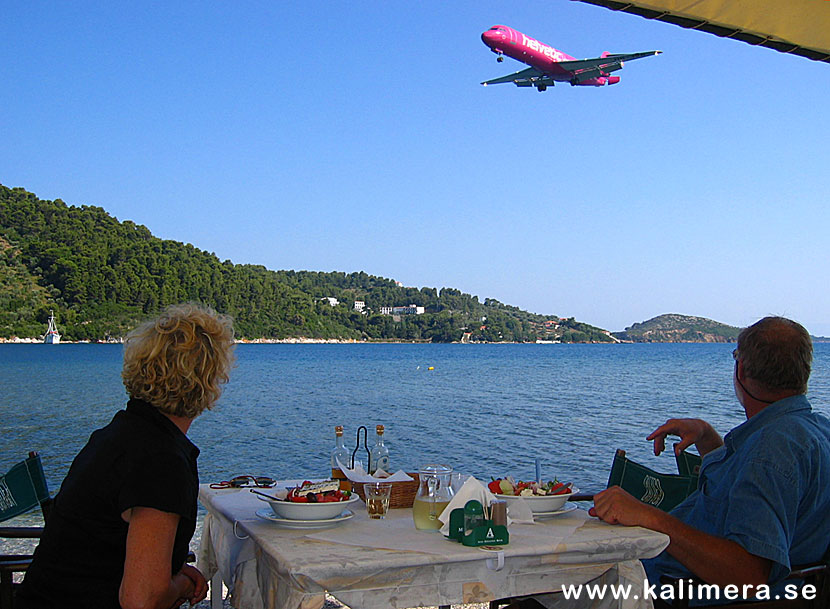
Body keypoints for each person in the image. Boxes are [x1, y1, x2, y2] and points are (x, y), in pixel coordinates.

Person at [591, 316, 830, 604]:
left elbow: (748, 576)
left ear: (740, 369)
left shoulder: (770, 450)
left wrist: (650, 517)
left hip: (670, 593)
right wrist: (707, 438)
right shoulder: (815, 432)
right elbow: (742, 493)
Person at [18, 303, 235, 609]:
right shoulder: (161, 460)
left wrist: (168, 574)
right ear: (210, 380)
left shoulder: (118, 436)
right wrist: (182, 584)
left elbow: (105, 549)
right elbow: (141, 600)